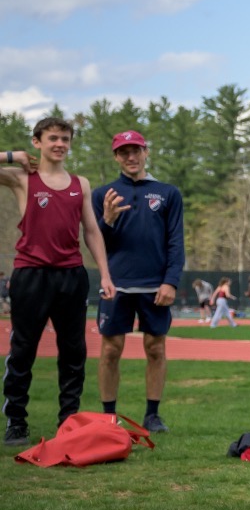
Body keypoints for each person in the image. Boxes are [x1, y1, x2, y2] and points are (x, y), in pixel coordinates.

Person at [2, 119, 115, 446]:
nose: (60, 144)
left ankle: (69, 421)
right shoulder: (23, 178)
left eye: (65, 139)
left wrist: (105, 274)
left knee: (73, 351)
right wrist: (12, 155)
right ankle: (16, 423)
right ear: (37, 142)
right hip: (30, 275)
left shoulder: (81, 183)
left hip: (71, 276)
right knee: (22, 350)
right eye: (53, 138)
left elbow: (91, 231)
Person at [93, 130, 183, 433]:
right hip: (116, 286)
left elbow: (175, 242)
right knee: (110, 350)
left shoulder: (168, 193)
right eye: (123, 152)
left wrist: (170, 281)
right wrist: (107, 220)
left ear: (146, 152)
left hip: (155, 287)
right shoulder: (102, 195)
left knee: (155, 348)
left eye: (136, 151)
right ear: (116, 156)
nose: (131, 157)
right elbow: (95, 243)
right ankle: (109, 417)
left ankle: (152, 415)